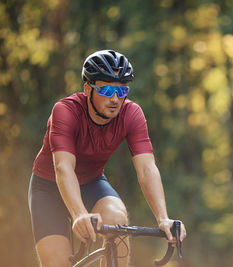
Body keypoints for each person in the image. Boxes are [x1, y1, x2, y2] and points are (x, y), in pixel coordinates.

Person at [28, 49, 187, 267]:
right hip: (49, 188)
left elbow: (147, 169)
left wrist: (163, 218)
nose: (115, 99)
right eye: (107, 89)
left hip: (92, 184)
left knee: (117, 219)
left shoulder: (132, 114)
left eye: (122, 91)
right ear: (87, 89)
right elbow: (63, 168)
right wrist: (80, 214)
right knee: (57, 263)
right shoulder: (65, 111)